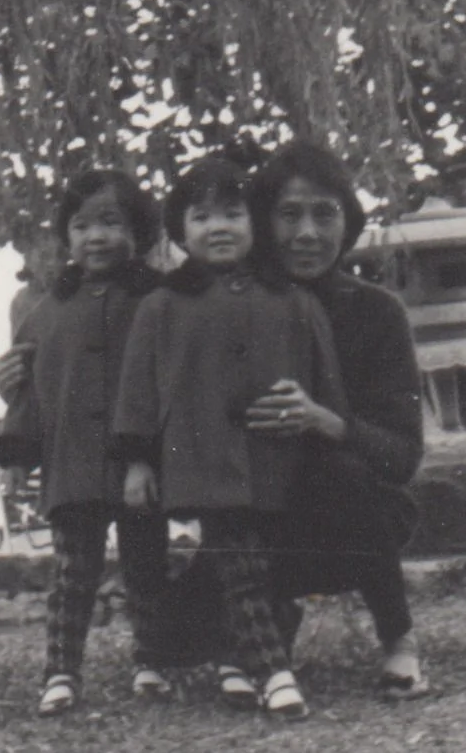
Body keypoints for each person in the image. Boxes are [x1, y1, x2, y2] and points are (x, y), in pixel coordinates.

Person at [112, 152, 346, 720]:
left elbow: (325, 385)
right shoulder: (161, 306)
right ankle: (277, 676)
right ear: (179, 231)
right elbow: (138, 394)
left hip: (282, 461)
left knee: (275, 572)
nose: (218, 228)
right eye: (201, 217)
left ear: (254, 223)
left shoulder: (294, 300)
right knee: (239, 563)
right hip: (201, 461)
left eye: (233, 215)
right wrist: (138, 462)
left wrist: (319, 428)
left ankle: (240, 658)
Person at [230, 139, 430, 697]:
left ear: (349, 221)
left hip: (355, 512)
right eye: (289, 215)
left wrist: (329, 422)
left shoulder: (377, 313)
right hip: (256, 507)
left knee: (344, 477)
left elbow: (402, 457)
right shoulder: (235, 305)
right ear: (263, 223)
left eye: (325, 214)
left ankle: (399, 641)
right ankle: (266, 633)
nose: (307, 234)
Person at [0, 169, 188, 715]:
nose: (95, 237)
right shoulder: (46, 310)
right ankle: (60, 672)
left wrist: (151, 456)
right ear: (65, 236)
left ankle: (151, 661)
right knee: (73, 571)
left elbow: (169, 383)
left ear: (138, 231)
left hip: (141, 468)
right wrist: (16, 452)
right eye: (80, 226)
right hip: (72, 462)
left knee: (146, 565)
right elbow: (28, 386)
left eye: (110, 223)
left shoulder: (158, 300)